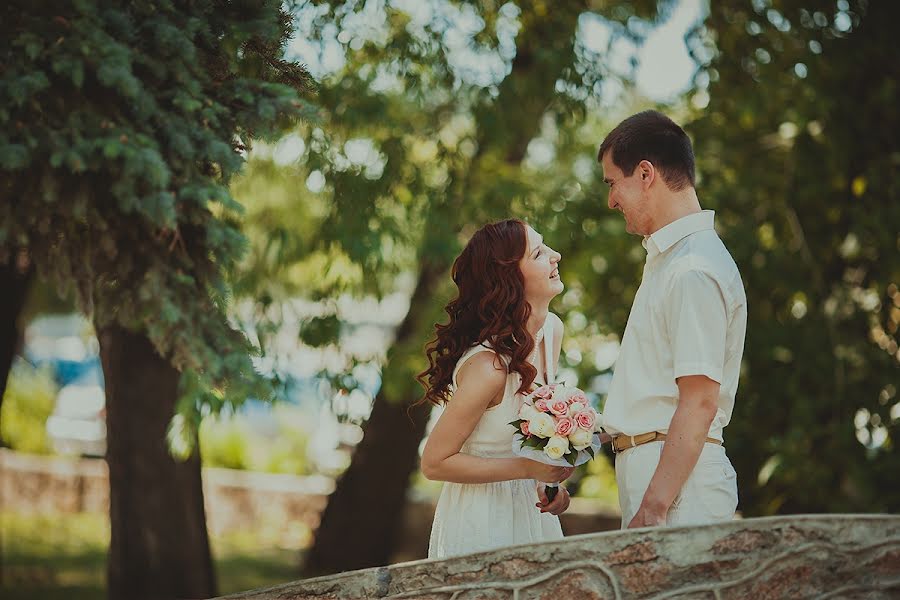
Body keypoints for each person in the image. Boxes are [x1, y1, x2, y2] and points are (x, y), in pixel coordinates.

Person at [597, 110, 746, 529]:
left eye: (612, 183)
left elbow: (699, 400)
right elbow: (655, 393)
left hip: (678, 489)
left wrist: (655, 504)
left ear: (645, 173)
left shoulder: (692, 268)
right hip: (660, 472)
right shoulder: (670, 261)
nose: (610, 200)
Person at [418, 218, 572, 559]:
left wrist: (549, 485)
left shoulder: (551, 333)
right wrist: (525, 469)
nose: (555, 255)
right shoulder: (489, 367)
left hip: (531, 514)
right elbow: (434, 462)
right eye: (539, 253)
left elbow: (531, 436)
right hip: (482, 518)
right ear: (511, 278)